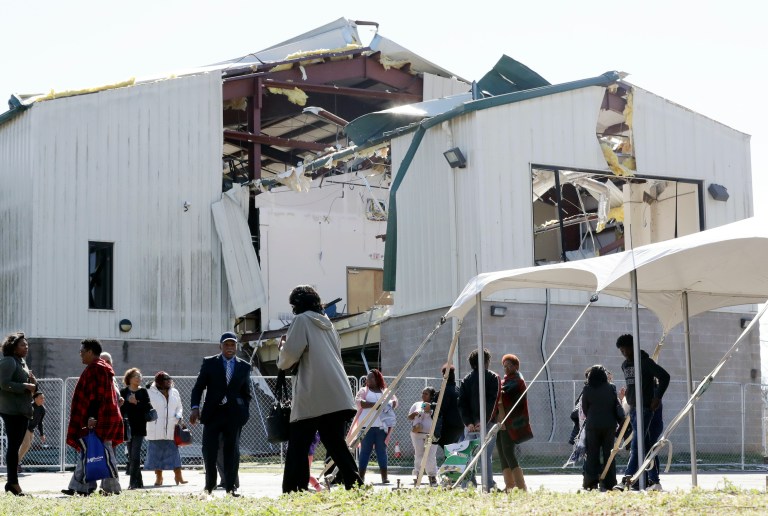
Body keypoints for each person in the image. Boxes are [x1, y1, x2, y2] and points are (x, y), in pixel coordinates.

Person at [277, 285, 363, 492]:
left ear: (296, 305)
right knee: (336, 442)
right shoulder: (328, 324)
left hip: (312, 393)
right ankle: (355, 483)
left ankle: (293, 489)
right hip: (337, 392)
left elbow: (289, 356)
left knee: (299, 443)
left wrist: (281, 350)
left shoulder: (301, 320)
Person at [190, 332, 253, 496]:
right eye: (226, 344)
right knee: (209, 450)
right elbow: (198, 388)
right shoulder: (210, 363)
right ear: (221, 346)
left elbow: (246, 393)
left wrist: (244, 412)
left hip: (234, 415)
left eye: (233, 344)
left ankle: (230, 487)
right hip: (213, 414)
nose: (230, 348)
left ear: (236, 347)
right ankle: (209, 487)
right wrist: (195, 407)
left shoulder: (244, 366)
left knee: (232, 452)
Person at [63, 338, 124, 496]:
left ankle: (112, 488)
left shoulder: (96, 368)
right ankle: (81, 487)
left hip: (99, 419)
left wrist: (92, 417)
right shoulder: (99, 367)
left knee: (103, 451)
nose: (80, 355)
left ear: (90, 352)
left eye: (82, 352)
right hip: (103, 417)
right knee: (89, 451)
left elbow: (97, 396)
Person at [615, 334, 670, 491]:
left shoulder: (645, 363)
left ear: (633, 346)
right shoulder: (625, 365)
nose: (624, 352)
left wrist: (657, 397)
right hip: (633, 408)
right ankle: (654, 481)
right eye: (621, 350)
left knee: (637, 445)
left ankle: (627, 478)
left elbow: (665, 376)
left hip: (645, 408)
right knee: (645, 446)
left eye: (625, 348)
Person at [457, 348, 501, 491]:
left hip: (469, 425)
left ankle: (468, 485)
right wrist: (483, 421)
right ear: (486, 361)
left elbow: (461, 403)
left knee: (468, 455)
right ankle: (487, 485)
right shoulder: (493, 377)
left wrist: (468, 422)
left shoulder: (466, 380)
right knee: (485, 457)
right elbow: (492, 402)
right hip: (486, 423)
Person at [0, 331, 36, 496]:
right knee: (13, 448)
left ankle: (12, 483)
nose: (26, 347)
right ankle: (13, 483)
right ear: (14, 348)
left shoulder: (21, 362)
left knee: (15, 447)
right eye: (22, 345)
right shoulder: (8, 361)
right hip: (12, 411)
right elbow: (3, 383)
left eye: (27, 344)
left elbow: (23, 383)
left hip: (22, 410)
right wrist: (24, 386)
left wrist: (31, 383)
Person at [580, 365, 624, 491]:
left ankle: (590, 482)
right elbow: (614, 405)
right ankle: (609, 482)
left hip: (592, 425)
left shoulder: (587, 389)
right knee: (609, 454)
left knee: (592, 454)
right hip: (609, 425)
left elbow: (585, 408)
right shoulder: (611, 388)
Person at [496, 354, 533, 492]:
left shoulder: (518, 381)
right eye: (504, 366)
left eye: (509, 366)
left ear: (516, 366)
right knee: (501, 453)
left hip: (510, 423)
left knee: (508, 452)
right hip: (501, 422)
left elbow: (506, 396)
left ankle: (521, 486)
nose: (506, 369)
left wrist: (498, 393)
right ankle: (509, 485)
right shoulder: (505, 381)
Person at [354, 368, 397, 484]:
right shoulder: (364, 390)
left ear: (378, 378)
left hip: (381, 427)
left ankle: (384, 477)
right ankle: (361, 477)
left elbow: (394, 402)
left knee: (382, 451)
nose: (368, 379)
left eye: (371, 377)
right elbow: (359, 402)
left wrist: (389, 404)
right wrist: (377, 405)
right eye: (367, 377)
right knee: (365, 452)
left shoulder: (385, 391)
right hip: (366, 427)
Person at [146, 371, 187, 486]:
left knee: (174, 453)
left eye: (170, 378)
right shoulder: (149, 391)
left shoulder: (174, 392)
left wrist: (179, 415)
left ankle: (178, 476)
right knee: (156, 454)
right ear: (159, 381)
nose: (169, 381)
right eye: (165, 379)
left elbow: (179, 406)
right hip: (156, 426)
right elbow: (145, 406)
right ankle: (159, 478)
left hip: (171, 426)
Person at [120, 368, 152, 489]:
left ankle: (132, 483)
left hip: (139, 427)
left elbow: (148, 407)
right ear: (130, 378)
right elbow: (121, 410)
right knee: (132, 456)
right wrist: (123, 404)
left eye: (140, 376)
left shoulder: (143, 392)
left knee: (135, 455)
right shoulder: (123, 392)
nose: (139, 378)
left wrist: (136, 402)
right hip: (127, 427)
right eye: (136, 376)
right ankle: (139, 482)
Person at [408, 387, 439, 487]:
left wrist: (430, 410)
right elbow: (409, 417)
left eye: (426, 394)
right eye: (422, 393)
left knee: (430, 456)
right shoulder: (417, 404)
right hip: (417, 434)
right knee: (419, 455)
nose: (423, 396)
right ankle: (417, 476)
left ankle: (432, 476)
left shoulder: (436, 406)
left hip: (431, 434)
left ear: (431, 396)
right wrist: (413, 415)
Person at [434, 364, 464, 451]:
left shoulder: (445, 390)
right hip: (459, 426)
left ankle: (454, 464)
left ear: (444, 376)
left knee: (449, 452)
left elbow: (441, 408)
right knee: (452, 450)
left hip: (449, 426)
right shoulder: (458, 389)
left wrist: (432, 405)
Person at [18, 392, 46, 469]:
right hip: (24, 427)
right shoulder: (30, 406)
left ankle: (17, 461)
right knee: (26, 444)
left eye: (43, 398)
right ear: (35, 398)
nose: (43, 400)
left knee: (28, 446)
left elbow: (40, 423)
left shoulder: (42, 409)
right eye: (41, 398)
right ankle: (16, 462)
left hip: (31, 429)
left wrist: (42, 434)